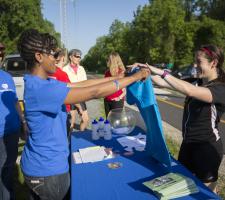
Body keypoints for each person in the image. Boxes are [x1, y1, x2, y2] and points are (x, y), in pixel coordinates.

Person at [17, 28, 150, 200]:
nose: (56, 58)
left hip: (40, 165)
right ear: (39, 56)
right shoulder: (42, 89)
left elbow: (83, 84)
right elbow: (93, 92)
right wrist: (135, 77)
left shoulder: (41, 83)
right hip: (47, 172)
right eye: (52, 53)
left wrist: (122, 76)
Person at [134, 44, 225, 193]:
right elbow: (164, 82)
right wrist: (143, 71)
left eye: (199, 61)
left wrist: (161, 72)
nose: (195, 65)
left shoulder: (220, 88)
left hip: (207, 148)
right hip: (187, 145)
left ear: (213, 63)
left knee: (205, 193)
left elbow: (189, 90)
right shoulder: (197, 81)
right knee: (181, 188)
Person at [0, 68, 27, 199]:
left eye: (1, 52)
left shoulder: (7, 76)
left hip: (11, 131)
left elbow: (16, 101)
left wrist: (23, 121)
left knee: (8, 170)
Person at [48, 48, 76, 134]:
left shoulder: (47, 72)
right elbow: (71, 91)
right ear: (63, 58)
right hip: (62, 111)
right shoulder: (62, 74)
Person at [63, 49, 89, 131]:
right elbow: (66, 86)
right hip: (70, 97)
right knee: (71, 123)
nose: (79, 58)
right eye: (77, 56)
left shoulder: (81, 68)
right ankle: (69, 141)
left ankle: (81, 135)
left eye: (80, 57)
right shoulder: (64, 69)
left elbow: (85, 83)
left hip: (80, 96)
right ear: (70, 57)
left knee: (85, 119)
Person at [104, 52, 126, 117]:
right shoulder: (107, 72)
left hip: (117, 102)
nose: (107, 61)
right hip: (107, 100)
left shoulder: (122, 72)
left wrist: (119, 97)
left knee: (116, 123)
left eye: (108, 60)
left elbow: (125, 89)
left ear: (112, 61)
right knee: (108, 122)